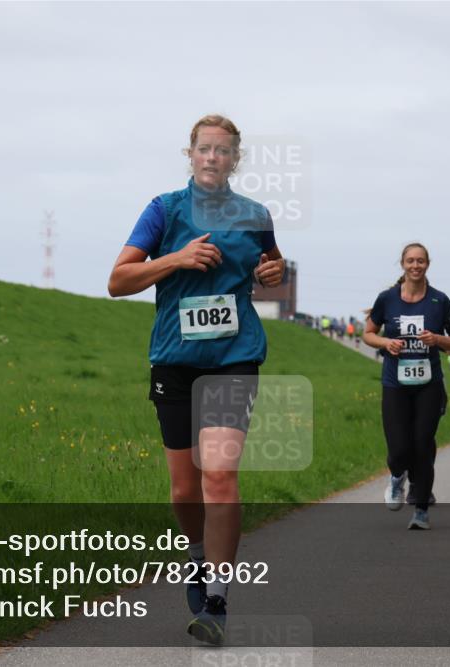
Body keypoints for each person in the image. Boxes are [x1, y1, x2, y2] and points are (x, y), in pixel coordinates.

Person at [107, 114, 285, 645]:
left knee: (219, 477)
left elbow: (272, 268)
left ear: (235, 159)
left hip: (234, 358)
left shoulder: (255, 215)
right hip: (175, 361)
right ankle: (197, 553)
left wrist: (273, 274)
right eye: (204, 149)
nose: (213, 157)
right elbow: (118, 281)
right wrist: (176, 258)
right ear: (190, 154)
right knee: (186, 488)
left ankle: (217, 600)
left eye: (223, 150)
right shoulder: (164, 210)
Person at [363, 243, 450, 530]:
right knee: (398, 449)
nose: (415, 265)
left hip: (428, 385)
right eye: (410, 261)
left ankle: (421, 510)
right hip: (395, 384)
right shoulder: (387, 299)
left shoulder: (440, 300)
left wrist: (438, 339)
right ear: (403, 264)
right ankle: (397, 477)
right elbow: (368, 333)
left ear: (427, 264)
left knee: (422, 445)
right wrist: (386, 342)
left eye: (420, 261)